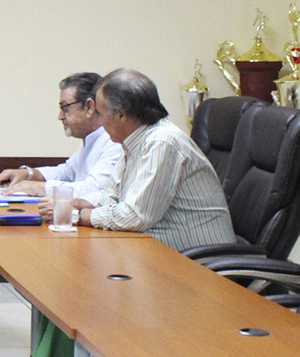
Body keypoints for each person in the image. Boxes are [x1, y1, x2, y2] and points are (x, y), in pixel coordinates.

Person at [32, 68, 234, 357]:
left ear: (122, 116)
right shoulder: (134, 142)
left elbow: (133, 217)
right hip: (157, 251)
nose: (98, 122)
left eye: (101, 113)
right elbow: (110, 194)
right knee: (65, 287)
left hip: (196, 264)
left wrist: (75, 216)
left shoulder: (161, 143)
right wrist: (74, 204)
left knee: (79, 293)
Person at [0, 72, 121, 198]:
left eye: (66, 108)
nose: (60, 117)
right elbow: (66, 172)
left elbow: (93, 190)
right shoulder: (92, 140)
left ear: (89, 107)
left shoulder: (114, 142)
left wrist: (37, 187)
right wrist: (27, 174)